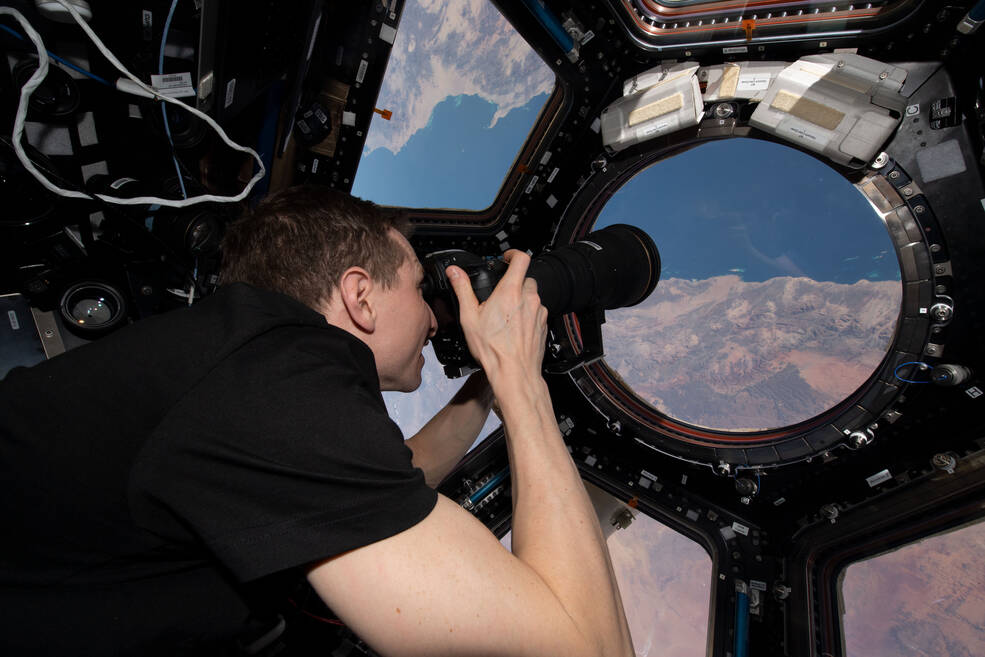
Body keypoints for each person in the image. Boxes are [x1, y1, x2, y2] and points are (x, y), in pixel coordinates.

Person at [0, 186, 632, 656]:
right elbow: (585, 645)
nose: (436, 317)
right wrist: (521, 380)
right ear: (360, 296)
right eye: (419, 286)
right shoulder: (277, 384)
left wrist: (487, 388)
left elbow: (389, 482)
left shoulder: (246, 362)